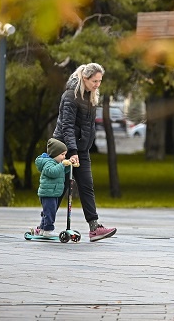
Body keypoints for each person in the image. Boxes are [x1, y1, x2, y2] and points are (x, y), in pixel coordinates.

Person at [53, 63, 117, 242]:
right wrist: (72, 151)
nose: (98, 84)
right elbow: (67, 126)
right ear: (85, 78)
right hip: (64, 150)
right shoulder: (70, 96)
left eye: (100, 81)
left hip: (81, 149)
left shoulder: (90, 97)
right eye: (95, 81)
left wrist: (83, 148)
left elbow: (87, 126)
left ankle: (94, 227)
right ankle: (44, 224)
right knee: (60, 187)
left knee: (87, 186)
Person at [30, 138, 73, 237]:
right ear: (55, 154)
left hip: (53, 192)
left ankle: (42, 229)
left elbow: (60, 172)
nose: (64, 157)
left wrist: (68, 165)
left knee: (48, 212)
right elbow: (52, 172)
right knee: (50, 212)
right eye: (62, 155)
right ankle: (48, 229)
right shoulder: (49, 163)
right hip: (48, 193)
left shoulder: (56, 163)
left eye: (65, 155)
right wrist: (62, 164)